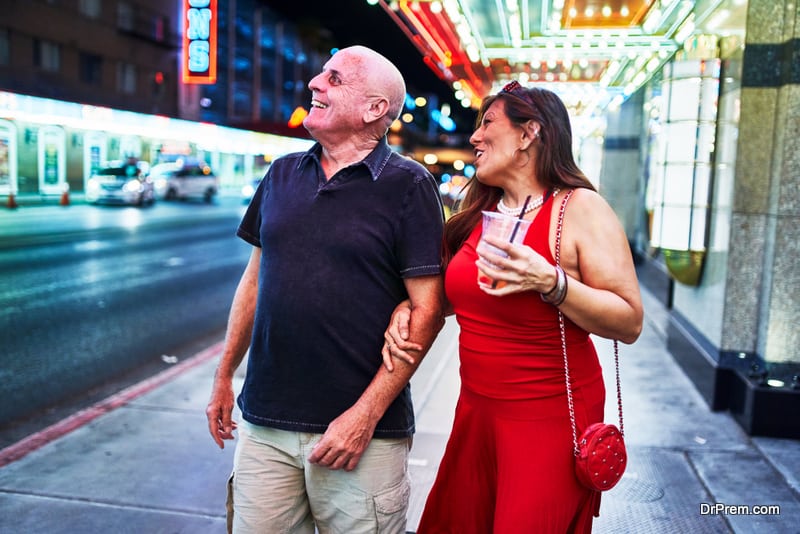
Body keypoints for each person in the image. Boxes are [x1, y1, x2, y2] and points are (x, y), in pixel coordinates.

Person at [383, 80, 643, 533]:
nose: (474, 137)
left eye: (487, 124)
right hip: (476, 411)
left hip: (549, 418)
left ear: (529, 134)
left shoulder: (579, 208)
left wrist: (553, 282)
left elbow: (629, 320)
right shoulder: (477, 216)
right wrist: (407, 307)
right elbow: (451, 296)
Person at [205, 45, 445, 534]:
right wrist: (224, 374)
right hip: (264, 424)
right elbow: (254, 280)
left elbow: (428, 310)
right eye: (320, 75)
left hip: (362, 438)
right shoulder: (280, 174)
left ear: (374, 109)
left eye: (334, 79)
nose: (315, 83)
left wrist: (364, 416)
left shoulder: (409, 185)